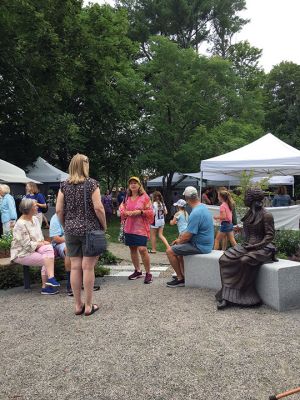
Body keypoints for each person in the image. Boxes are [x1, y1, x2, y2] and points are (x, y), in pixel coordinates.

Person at [56, 154, 107, 316]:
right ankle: (89, 305)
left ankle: (78, 305)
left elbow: (58, 209)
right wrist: (104, 225)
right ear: (85, 165)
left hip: (71, 231)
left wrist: (66, 225)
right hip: (90, 230)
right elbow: (98, 208)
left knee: (75, 267)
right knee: (88, 267)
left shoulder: (64, 185)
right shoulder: (92, 184)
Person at [216, 187, 276, 310]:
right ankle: (227, 293)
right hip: (248, 245)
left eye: (246, 197)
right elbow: (250, 231)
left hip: (264, 247)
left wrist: (255, 246)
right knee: (224, 259)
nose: (244, 199)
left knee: (245, 260)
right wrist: (240, 230)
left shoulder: (267, 215)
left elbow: (270, 236)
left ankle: (244, 295)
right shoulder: (249, 214)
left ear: (252, 199)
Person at [166, 186, 214, 287]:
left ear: (187, 199)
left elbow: (187, 236)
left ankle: (180, 279)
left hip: (200, 246)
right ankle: (184, 275)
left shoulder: (195, 213)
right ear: (197, 196)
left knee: (170, 251)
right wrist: (179, 240)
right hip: (206, 243)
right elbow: (189, 233)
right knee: (178, 251)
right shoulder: (203, 207)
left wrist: (178, 241)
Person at [10, 198, 60, 295]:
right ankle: (46, 285)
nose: (37, 207)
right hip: (21, 253)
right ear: (28, 209)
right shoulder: (20, 224)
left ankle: (49, 282)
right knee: (48, 258)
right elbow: (26, 245)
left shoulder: (35, 219)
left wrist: (43, 243)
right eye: (35, 205)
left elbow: (39, 237)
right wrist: (41, 243)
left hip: (35, 248)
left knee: (49, 248)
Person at [119, 176, 154, 284]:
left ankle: (148, 273)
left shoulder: (145, 197)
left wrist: (140, 212)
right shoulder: (127, 197)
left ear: (139, 185)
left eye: (135, 183)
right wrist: (125, 212)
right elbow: (121, 208)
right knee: (132, 249)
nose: (133, 185)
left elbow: (151, 211)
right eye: (131, 183)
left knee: (142, 249)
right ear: (129, 186)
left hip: (141, 228)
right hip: (129, 227)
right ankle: (138, 271)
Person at [49, 213, 72, 296]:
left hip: (76, 240)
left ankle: (86, 280)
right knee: (69, 250)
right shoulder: (56, 217)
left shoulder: (76, 213)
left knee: (92, 246)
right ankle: (70, 284)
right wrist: (72, 238)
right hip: (62, 242)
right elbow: (56, 239)